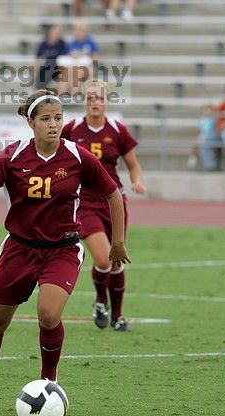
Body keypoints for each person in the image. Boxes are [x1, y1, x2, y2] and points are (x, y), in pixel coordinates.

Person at [0, 89, 129, 412]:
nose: (53, 125)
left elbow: (112, 194)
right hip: (19, 249)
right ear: (30, 122)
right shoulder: (12, 156)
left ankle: (49, 383)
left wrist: (118, 241)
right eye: (46, 119)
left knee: (49, 315)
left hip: (62, 249)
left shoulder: (78, 156)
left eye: (58, 118)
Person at [61, 80, 145, 331]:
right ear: (84, 101)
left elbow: (132, 164)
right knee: (103, 258)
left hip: (115, 201)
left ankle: (117, 316)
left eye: (99, 98)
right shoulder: (72, 129)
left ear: (107, 100)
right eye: (90, 98)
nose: (94, 102)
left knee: (117, 259)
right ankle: (100, 301)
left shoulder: (118, 130)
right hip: (85, 201)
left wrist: (137, 181)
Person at [56, 20, 99, 95]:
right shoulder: (72, 42)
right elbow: (68, 57)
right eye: (77, 29)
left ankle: (74, 95)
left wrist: (82, 55)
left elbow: (95, 58)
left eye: (81, 29)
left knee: (76, 71)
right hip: (73, 67)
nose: (80, 32)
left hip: (87, 68)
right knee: (66, 72)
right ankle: (61, 96)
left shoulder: (90, 42)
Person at [33, 24, 68, 91]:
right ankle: (39, 84)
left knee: (52, 62)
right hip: (45, 68)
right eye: (56, 32)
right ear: (50, 32)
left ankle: (40, 85)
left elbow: (64, 59)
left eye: (59, 32)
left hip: (58, 69)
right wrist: (35, 72)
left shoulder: (62, 43)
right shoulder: (43, 44)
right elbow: (37, 59)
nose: (58, 34)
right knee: (47, 64)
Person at [197, 104, 220, 171]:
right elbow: (201, 130)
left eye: (209, 110)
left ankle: (211, 165)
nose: (208, 111)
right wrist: (199, 137)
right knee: (203, 146)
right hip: (204, 137)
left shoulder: (214, 119)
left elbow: (217, 129)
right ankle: (208, 165)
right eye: (206, 110)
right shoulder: (202, 120)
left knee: (206, 144)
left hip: (213, 136)